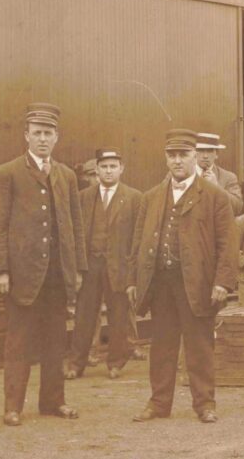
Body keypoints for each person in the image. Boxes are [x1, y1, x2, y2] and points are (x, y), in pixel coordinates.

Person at [126, 128, 238, 424]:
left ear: (195, 157)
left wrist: (222, 282)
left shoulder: (215, 196)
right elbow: (137, 242)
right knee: (161, 345)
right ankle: (159, 403)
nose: (177, 161)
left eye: (183, 155)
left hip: (198, 284)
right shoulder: (151, 197)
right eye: (172, 155)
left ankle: (205, 404)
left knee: (199, 346)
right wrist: (131, 280)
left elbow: (228, 243)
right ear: (166, 158)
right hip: (160, 284)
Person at [0, 103, 86, 426]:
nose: (43, 139)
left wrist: (78, 270)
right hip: (22, 274)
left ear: (57, 138)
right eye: (37, 133)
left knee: (56, 340)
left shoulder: (66, 176)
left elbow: (75, 225)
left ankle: (53, 401)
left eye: (48, 134)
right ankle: (13, 406)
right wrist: (1, 269)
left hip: (57, 274)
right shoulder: (7, 173)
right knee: (19, 341)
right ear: (26, 135)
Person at [67, 148, 143, 381]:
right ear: (97, 170)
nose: (108, 171)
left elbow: (138, 238)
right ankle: (76, 364)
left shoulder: (134, 198)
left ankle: (116, 363)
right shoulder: (84, 197)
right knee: (83, 315)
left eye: (113, 167)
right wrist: (78, 268)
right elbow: (76, 235)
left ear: (121, 169)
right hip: (91, 266)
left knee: (119, 316)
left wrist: (133, 273)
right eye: (104, 167)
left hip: (119, 267)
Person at [196, 133, 243, 213]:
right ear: (194, 153)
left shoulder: (229, 177)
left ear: (216, 154)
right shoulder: (183, 175)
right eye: (201, 150)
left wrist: (217, 187)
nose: (205, 156)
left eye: (210, 151)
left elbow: (237, 207)